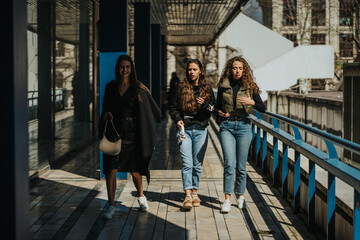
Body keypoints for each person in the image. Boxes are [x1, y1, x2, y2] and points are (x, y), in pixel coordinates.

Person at [99, 54, 161, 219]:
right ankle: (111, 206)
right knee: (111, 170)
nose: (124, 70)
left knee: (135, 171)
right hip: (114, 133)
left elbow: (152, 113)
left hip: (133, 135)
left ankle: (141, 196)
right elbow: (105, 108)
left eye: (127, 67)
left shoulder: (139, 89)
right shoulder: (110, 87)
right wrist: (105, 116)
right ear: (118, 68)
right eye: (122, 66)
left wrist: (148, 137)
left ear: (131, 69)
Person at [216, 56, 265, 213]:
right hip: (227, 127)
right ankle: (227, 199)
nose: (237, 71)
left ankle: (241, 196)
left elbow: (262, 108)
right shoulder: (223, 86)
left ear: (244, 71)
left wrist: (252, 103)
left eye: (240, 68)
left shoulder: (250, 86)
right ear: (230, 69)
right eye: (234, 68)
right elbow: (217, 107)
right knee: (230, 163)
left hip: (244, 126)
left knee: (241, 165)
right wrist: (220, 115)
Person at [169, 59, 215, 210]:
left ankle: (195, 192)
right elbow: (173, 108)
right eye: (190, 69)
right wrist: (177, 120)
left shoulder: (207, 89)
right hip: (185, 130)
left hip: (201, 129)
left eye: (195, 69)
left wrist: (205, 105)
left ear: (200, 71)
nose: (192, 72)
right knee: (187, 163)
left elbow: (212, 110)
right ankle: (187, 195)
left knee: (197, 164)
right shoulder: (181, 87)